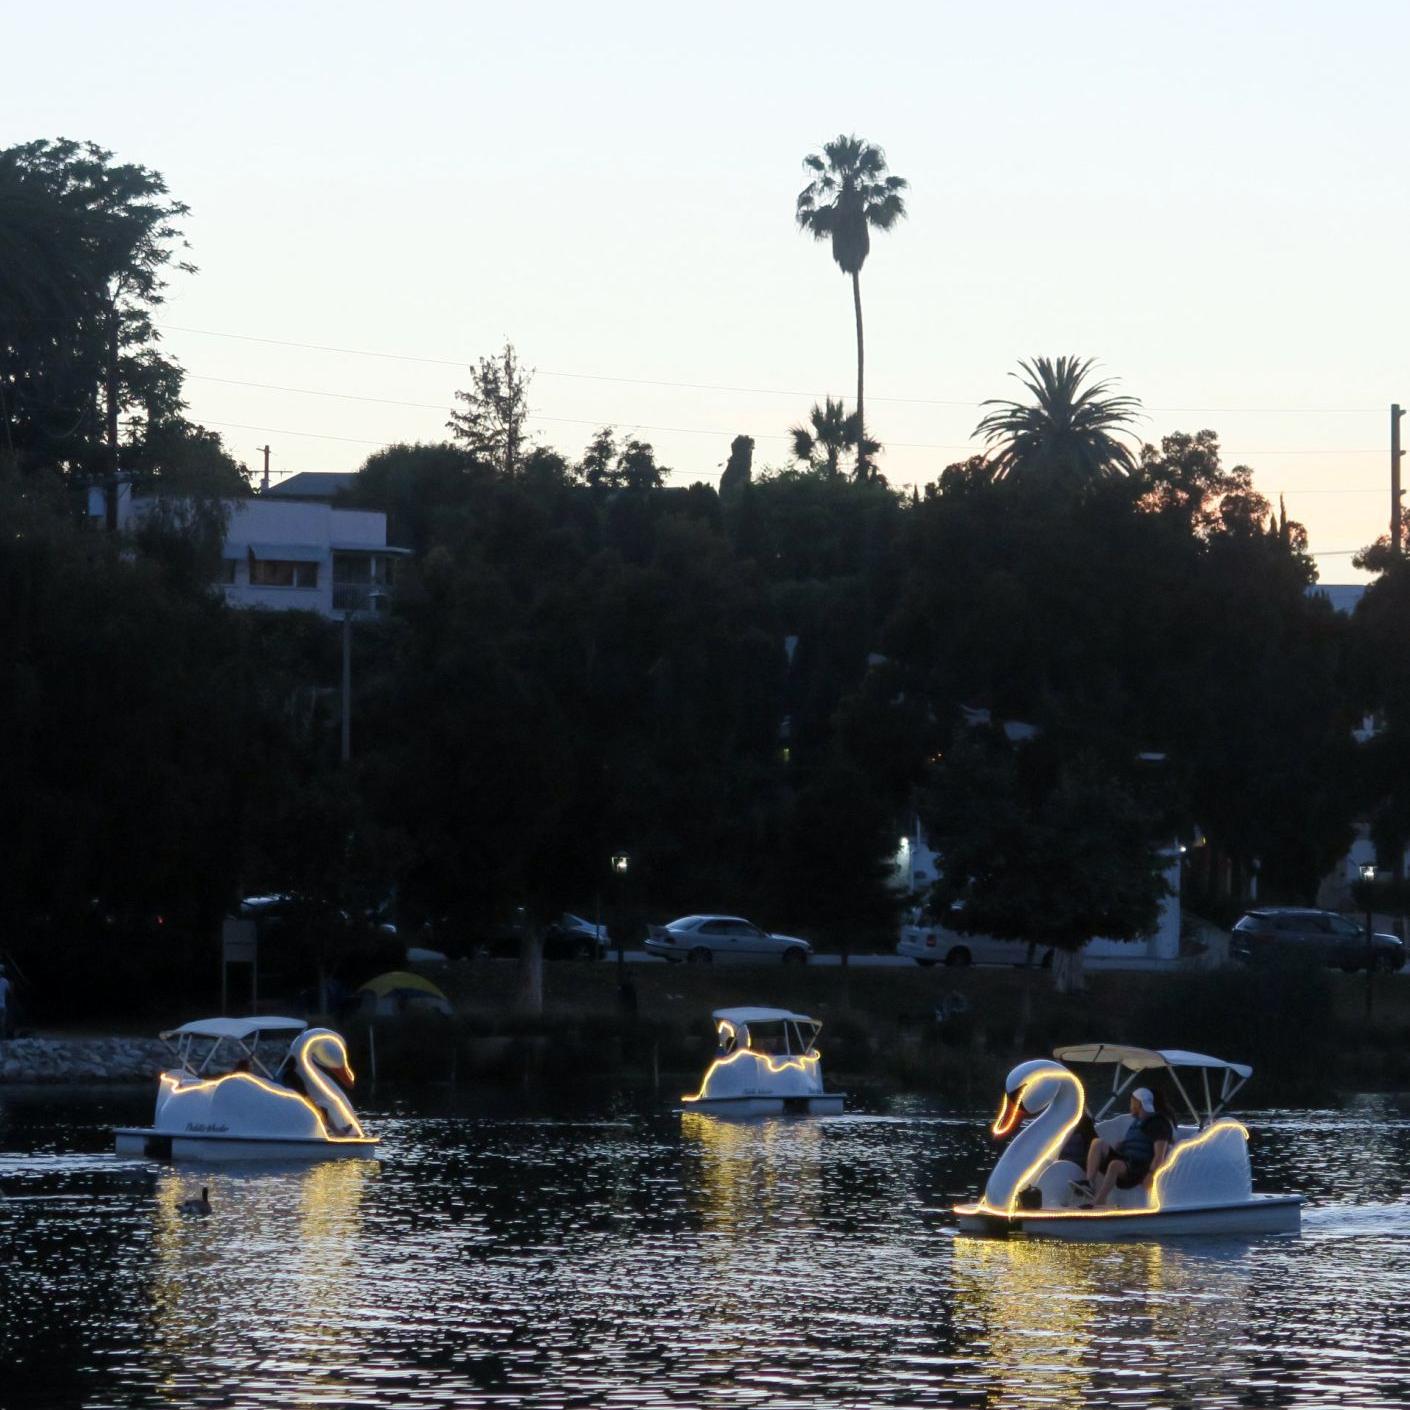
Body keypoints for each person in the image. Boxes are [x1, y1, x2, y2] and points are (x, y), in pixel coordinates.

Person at [1076, 1087, 1173, 1206]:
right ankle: (1089, 1184)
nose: (1130, 1106)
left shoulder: (1158, 1124)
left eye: (1132, 1102)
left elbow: (1159, 1155)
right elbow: (1137, 1141)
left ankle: (1099, 1201)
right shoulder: (1137, 1121)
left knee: (1114, 1164)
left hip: (1139, 1168)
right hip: (1127, 1162)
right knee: (1097, 1143)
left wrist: (1151, 1174)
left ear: (1139, 1104)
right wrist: (1122, 1145)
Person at [0, 964, 11, 1041]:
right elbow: (9, 992)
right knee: (2, 1023)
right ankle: (2, 1039)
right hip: (2, 1005)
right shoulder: (6, 981)